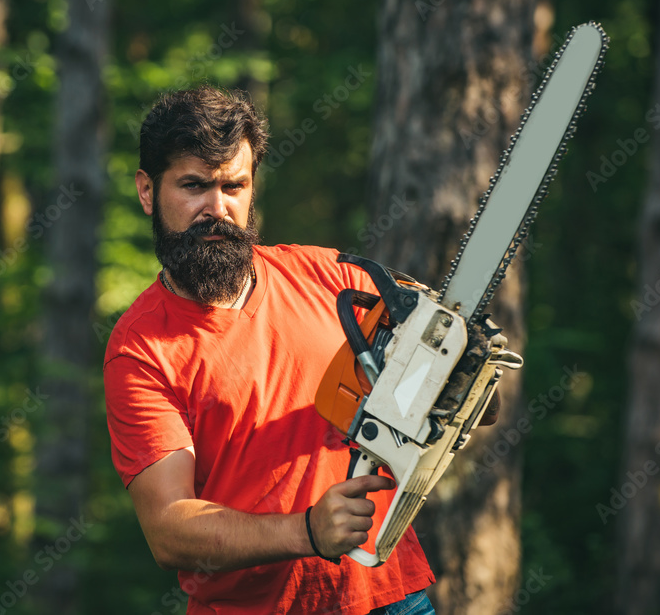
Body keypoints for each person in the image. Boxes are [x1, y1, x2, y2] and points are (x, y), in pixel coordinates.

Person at [104, 85, 437, 614]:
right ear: (147, 191)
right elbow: (168, 529)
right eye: (194, 186)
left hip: (389, 598)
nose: (217, 208)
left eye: (234, 186)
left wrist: (460, 379)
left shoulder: (335, 280)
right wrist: (307, 531)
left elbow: (457, 405)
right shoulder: (141, 348)